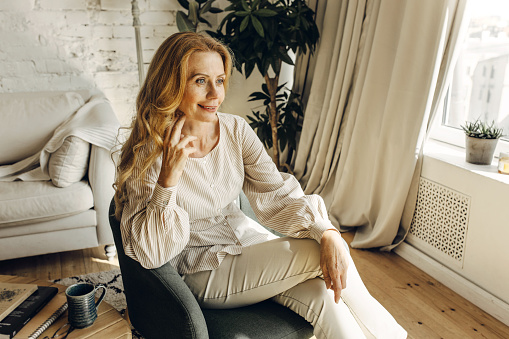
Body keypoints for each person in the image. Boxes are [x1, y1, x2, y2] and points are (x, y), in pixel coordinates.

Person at [113, 32, 407, 339]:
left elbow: (277, 193)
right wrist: (168, 180)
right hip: (203, 270)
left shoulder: (235, 130)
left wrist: (328, 231)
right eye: (200, 81)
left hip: (253, 248)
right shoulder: (150, 152)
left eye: (220, 80)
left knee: (326, 297)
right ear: (172, 86)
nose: (215, 93)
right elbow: (150, 253)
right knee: (317, 248)